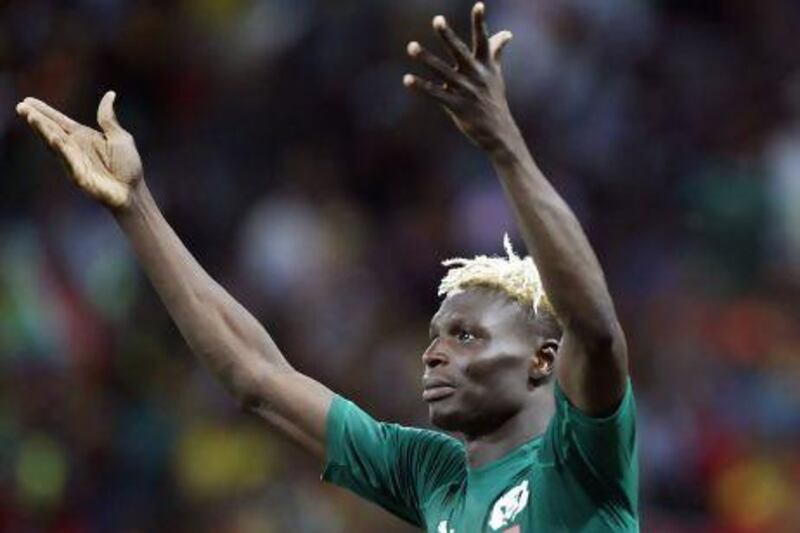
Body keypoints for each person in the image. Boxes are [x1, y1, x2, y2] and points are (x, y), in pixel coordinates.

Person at [16, 2, 637, 531]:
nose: (434, 355)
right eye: (436, 337)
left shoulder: (579, 459)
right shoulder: (430, 475)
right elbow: (255, 375)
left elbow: (595, 325)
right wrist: (135, 206)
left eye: (466, 335)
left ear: (542, 360)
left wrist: (506, 148)